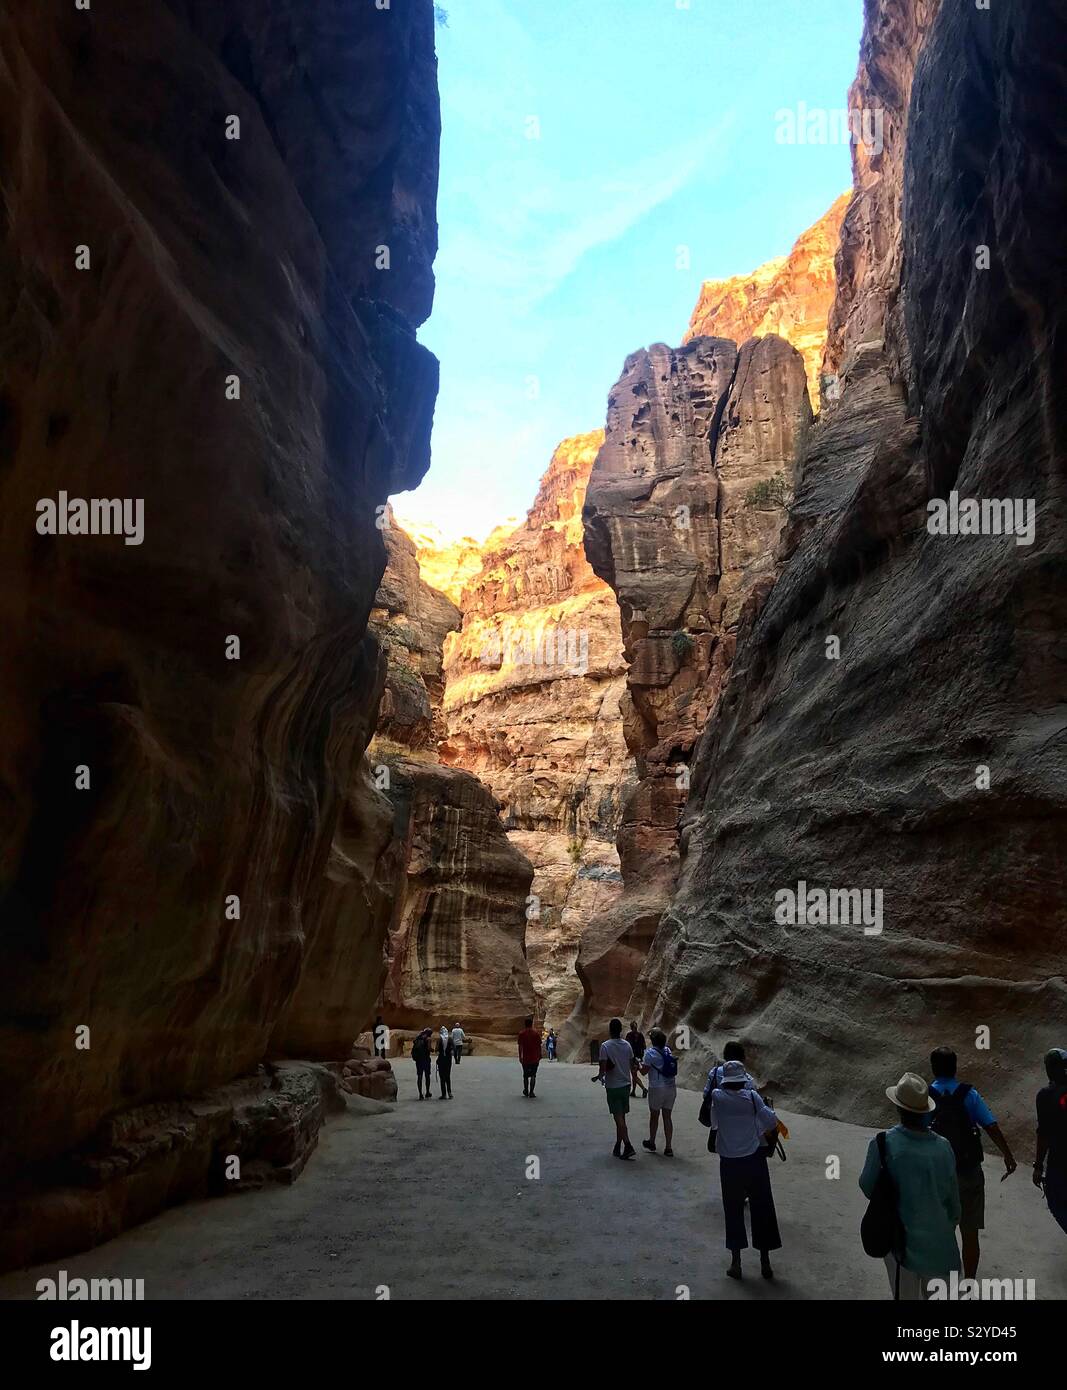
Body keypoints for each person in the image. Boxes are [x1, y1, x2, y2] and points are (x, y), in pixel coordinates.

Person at [859, 1072, 960, 1300]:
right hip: (941, 1247)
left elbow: (867, 1187)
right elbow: (954, 1206)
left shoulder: (883, 1144)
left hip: (901, 1246)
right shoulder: (944, 1147)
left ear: (898, 1109)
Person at [928, 1045, 1017, 1277]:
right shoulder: (969, 1094)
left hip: (938, 1174)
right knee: (970, 1234)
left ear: (933, 1068)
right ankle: (968, 1283)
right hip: (968, 1172)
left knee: (941, 1232)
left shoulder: (926, 1096)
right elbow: (991, 1126)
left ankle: (941, 1280)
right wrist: (1007, 1154)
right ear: (956, 1068)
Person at [710, 1060, 781, 1279]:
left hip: (729, 1162)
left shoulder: (717, 1097)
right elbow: (771, 1122)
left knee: (733, 1209)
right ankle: (765, 1263)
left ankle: (736, 1263)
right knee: (762, 1208)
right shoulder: (752, 1097)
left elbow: (714, 1125)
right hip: (754, 1160)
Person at [594, 1018, 638, 1159]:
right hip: (626, 1085)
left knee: (618, 1118)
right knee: (621, 1118)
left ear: (610, 1030)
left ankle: (628, 1145)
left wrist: (598, 1077)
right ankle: (618, 1146)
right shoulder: (627, 1045)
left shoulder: (605, 1046)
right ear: (620, 1030)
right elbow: (632, 1066)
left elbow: (602, 1069)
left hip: (613, 1086)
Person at [1034, 1047, 1067, 1236]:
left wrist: (1038, 1166)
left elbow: (1043, 1133)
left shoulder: (1046, 1095)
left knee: (1056, 1203)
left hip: (1059, 1163)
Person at [640, 1028, 677, 1156]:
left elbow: (643, 1071)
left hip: (657, 1087)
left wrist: (638, 1065)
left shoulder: (649, 1053)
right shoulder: (668, 1050)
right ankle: (668, 1147)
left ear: (653, 1040)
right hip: (671, 1087)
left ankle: (652, 1141)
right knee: (667, 1116)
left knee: (654, 1116)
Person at [518, 1016, 542, 1098]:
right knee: (533, 1075)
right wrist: (540, 1055)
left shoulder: (521, 1033)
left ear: (525, 1024)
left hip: (525, 1058)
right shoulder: (536, 1033)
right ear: (531, 1024)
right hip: (535, 1057)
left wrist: (520, 1056)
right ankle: (532, 1092)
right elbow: (539, 1045)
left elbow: (520, 1046)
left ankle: (526, 1090)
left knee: (525, 1075)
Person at [626, 1021, 648, 1098]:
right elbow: (644, 1046)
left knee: (634, 1075)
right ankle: (633, 1091)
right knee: (634, 1074)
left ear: (631, 1027)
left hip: (632, 1058)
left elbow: (627, 1047)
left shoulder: (629, 1035)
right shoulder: (640, 1035)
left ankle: (644, 1088)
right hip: (639, 1058)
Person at [411, 1028, 433, 1099]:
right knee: (427, 1076)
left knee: (419, 1076)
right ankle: (427, 1092)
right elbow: (429, 1049)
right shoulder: (428, 1039)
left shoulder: (418, 1038)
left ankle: (420, 1094)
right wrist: (432, 1050)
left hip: (419, 1060)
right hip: (426, 1059)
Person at [435, 1027, 454, 1099]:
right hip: (448, 1059)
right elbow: (454, 1048)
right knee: (448, 1076)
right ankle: (450, 1093)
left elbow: (436, 1049)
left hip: (441, 1059)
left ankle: (444, 1094)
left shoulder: (439, 1039)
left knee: (442, 1077)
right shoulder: (450, 1039)